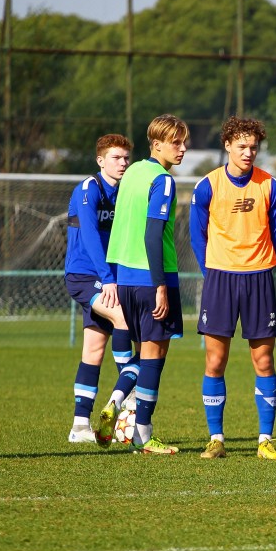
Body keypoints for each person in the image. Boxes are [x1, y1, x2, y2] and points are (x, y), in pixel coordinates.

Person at [189, 116, 276, 460]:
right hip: (220, 278)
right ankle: (216, 439)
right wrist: (214, 270)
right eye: (242, 146)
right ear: (227, 145)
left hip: (258, 278)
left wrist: (256, 261)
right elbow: (197, 236)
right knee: (215, 360)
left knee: (264, 359)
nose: (248, 152)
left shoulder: (270, 186)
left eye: (253, 147)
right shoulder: (208, 185)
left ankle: (265, 440)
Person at [100, 114, 188, 455]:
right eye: (176, 142)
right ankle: (143, 434)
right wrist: (160, 285)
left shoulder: (133, 172)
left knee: (148, 353)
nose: (182, 148)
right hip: (152, 278)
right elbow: (153, 235)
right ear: (157, 144)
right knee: (153, 356)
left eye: (184, 142)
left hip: (125, 278)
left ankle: (117, 401)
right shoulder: (162, 180)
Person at [64, 133, 140, 443]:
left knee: (93, 351)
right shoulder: (89, 188)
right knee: (121, 317)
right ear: (100, 160)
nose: (123, 163)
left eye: (126, 158)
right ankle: (128, 397)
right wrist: (108, 278)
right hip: (85, 275)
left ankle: (79, 427)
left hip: (110, 277)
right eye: (116, 157)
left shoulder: (124, 192)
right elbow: (91, 236)